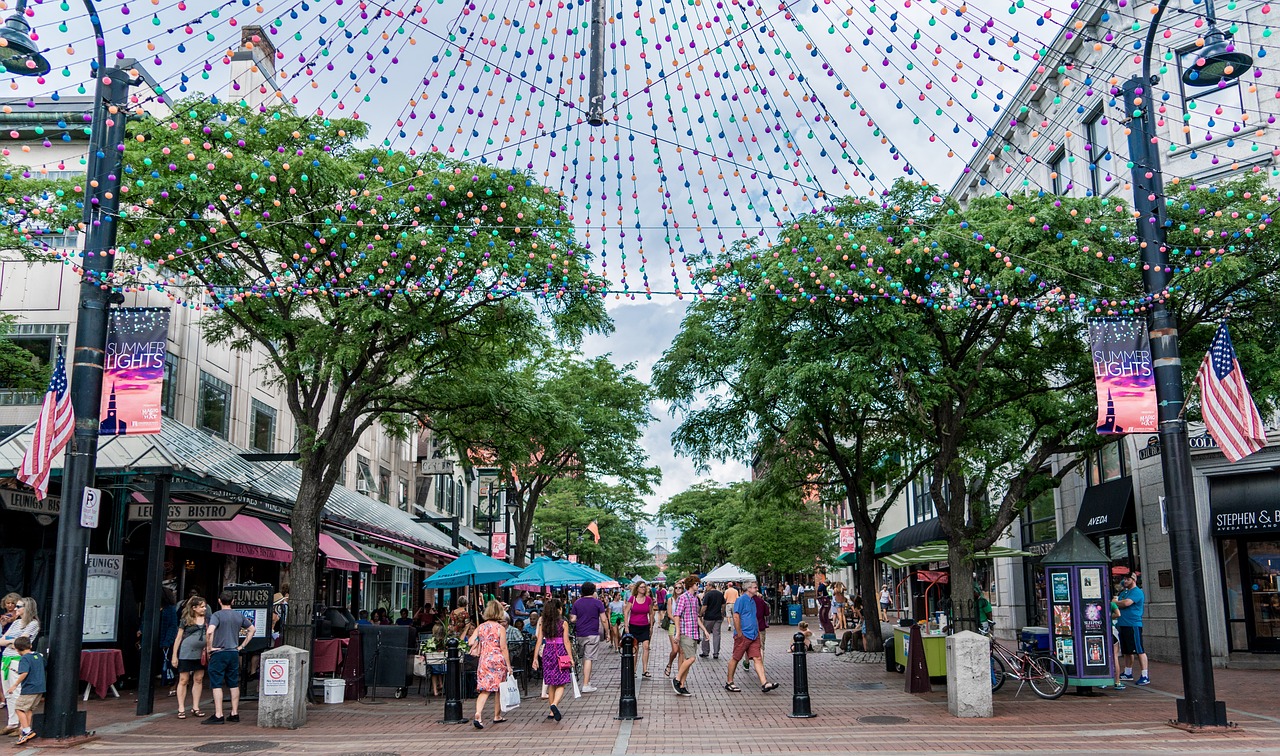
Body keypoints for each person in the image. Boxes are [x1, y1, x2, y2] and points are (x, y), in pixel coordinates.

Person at [204, 591, 254, 725]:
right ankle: (234, 712)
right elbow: (252, 629)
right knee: (233, 683)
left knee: (216, 683)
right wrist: (241, 646)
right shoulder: (238, 616)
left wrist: (210, 648)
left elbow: (209, 632)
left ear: (219, 601)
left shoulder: (217, 615)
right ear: (233, 601)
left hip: (219, 652)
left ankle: (219, 714)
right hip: (233, 651)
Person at [724, 581, 780, 694]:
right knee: (736, 657)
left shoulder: (753, 601)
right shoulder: (740, 600)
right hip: (744, 634)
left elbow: (754, 616)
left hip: (754, 634)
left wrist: (757, 631)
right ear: (748, 588)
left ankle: (764, 683)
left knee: (757, 657)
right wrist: (739, 633)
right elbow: (736, 616)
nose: (756, 589)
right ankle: (729, 682)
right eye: (755, 587)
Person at [468, 600, 512, 729]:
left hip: (484, 660)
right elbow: (504, 648)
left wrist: (480, 640)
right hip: (497, 660)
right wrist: (508, 665)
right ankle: (497, 715)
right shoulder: (500, 628)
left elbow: (471, 641)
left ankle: (478, 714)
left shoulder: (481, 627)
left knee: (484, 689)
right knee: (499, 688)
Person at [0, 597, 38, 737]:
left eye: (19, 606)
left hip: (17, 659)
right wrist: (10, 641)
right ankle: (12, 722)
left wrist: (9, 642)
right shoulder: (16, 623)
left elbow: (22, 641)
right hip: (6, 658)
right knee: (8, 691)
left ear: (27, 608)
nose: (15, 609)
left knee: (16, 691)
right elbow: (2, 640)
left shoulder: (33, 624)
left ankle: (21, 724)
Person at [531, 598, 574, 722]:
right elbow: (566, 641)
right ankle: (554, 704)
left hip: (548, 651)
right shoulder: (563, 623)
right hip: (560, 652)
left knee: (551, 682)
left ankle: (551, 711)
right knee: (562, 682)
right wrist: (570, 657)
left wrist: (535, 658)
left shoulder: (543, 623)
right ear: (558, 609)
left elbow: (539, 641)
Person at [171, 596, 208, 719]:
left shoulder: (208, 619)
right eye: (201, 606)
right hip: (186, 652)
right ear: (194, 608)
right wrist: (174, 655)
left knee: (198, 678)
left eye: (204, 606)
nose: (204, 609)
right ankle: (181, 707)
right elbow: (178, 638)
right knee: (183, 679)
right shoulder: (186, 619)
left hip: (201, 653)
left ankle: (195, 706)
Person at [4, 636, 43, 745]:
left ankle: (27, 731)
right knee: (28, 709)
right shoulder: (38, 656)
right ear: (30, 645)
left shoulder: (24, 659)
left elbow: (24, 673)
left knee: (19, 708)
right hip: (39, 688)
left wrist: (14, 685)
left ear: (16, 649)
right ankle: (24, 729)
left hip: (29, 688)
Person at [671, 575, 707, 696]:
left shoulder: (695, 599)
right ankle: (676, 679)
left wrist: (705, 630)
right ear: (691, 584)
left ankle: (682, 684)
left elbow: (696, 617)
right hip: (685, 632)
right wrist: (677, 632)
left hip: (694, 633)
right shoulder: (683, 598)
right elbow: (677, 615)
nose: (698, 586)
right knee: (691, 658)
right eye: (697, 584)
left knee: (688, 660)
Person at [570, 582, 608, 693]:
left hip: (580, 633)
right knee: (589, 658)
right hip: (592, 633)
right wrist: (608, 633)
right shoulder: (598, 603)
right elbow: (604, 619)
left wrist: (580, 619)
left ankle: (588, 680)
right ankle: (586, 684)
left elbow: (573, 619)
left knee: (585, 658)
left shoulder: (577, 603)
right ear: (593, 591)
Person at [1116, 574, 1149, 686]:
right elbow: (1118, 604)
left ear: (1133, 580)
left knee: (1139, 650)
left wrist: (1114, 603)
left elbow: (1125, 603)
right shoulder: (1124, 592)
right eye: (1124, 579)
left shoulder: (1137, 592)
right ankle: (1128, 672)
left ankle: (1145, 675)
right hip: (1123, 624)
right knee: (1127, 651)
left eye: (1127, 579)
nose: (1125, 581)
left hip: (1133, 624)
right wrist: (1117, 603)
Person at [624, 581, 655, 678]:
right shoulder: (632, 599)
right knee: (635, 648)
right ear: (637, 588)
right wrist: (626, 626)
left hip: (644, 626)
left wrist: (651, 626)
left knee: (646, 647)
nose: (643, 589)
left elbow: (651, 613)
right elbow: (626, 612)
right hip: (634, 626)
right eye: (641, 587)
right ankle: (633, 670)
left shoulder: (648, 600)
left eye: (644, 587)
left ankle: (645, 670)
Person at [159, 588, 179, 695]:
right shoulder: (153, 607)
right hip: (155, 638)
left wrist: (168, 641)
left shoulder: (170, 609)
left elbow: (172, 626)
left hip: (166, 639)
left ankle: (173, 684)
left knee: (169, 663)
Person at [662, 583, 685, 677]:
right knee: (675, 650)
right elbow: (670, 614)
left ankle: (680, 673)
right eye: (676, 588)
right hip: (673, 626)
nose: (678, 589)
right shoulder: (670, 600)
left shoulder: (685, 599)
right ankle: (669, 664)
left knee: (681, 651)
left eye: (680, 588)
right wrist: (676, 621)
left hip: (683, 626)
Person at [699, 582, 726, 659]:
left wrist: (700, 614)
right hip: (718, 617)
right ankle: (716, 652)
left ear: (710, 586)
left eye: (706, 585)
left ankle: (705, 652)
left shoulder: (708, 594)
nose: (705, 587)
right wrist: (722, 613)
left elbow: (704, 606)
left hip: (708, 617)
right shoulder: (720, 594)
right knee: (716, 634)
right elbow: (723, 604)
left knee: (706, 633)